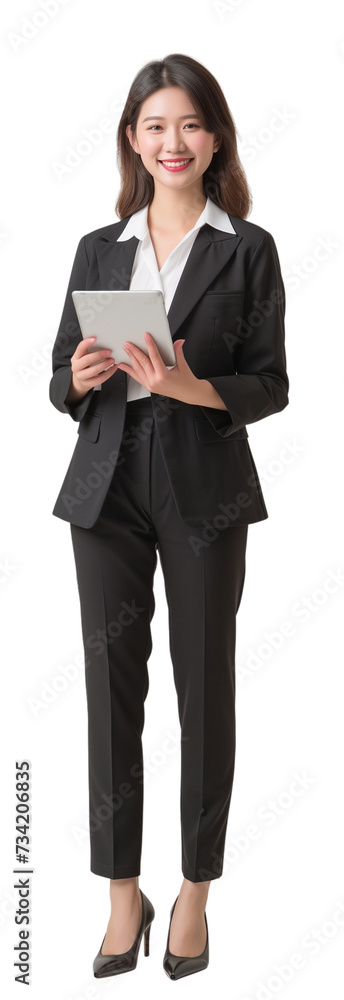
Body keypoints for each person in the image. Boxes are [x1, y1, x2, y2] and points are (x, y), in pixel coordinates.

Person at [49, 52, 289, 980]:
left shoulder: (249, 247)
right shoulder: (98, 248)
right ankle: (121, 892)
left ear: (214, 135)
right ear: (131, 139)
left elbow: (271, 383)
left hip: (202, 487)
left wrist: (186, 383)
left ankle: (194, 889)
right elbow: (60, 376)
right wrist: (76, 379)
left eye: (188, 124)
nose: (172, 141)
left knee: (204, 687)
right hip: (105, 490)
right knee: (110, 695)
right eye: (154, 125)